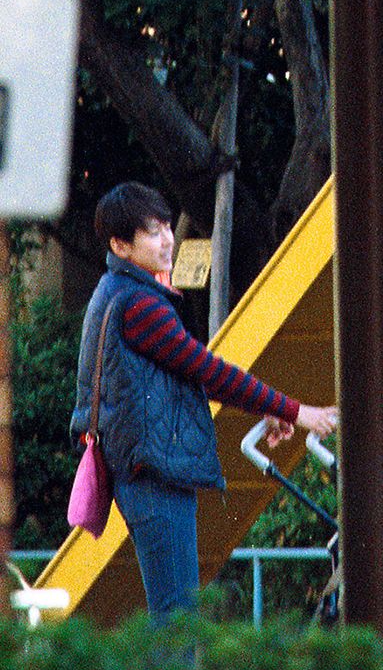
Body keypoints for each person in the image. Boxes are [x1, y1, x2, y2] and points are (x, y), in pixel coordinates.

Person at [70, 182, 338, 621]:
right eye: (152, 233)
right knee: (178, 620)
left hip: (142, 471)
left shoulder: (113, 292)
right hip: (154, 475)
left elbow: (191, 374)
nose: (168, 239)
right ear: (120, 244)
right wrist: (294, 410)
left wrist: (270, 408)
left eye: (165, 227)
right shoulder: (138, 304)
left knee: (174, 616)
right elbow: (207, 371)